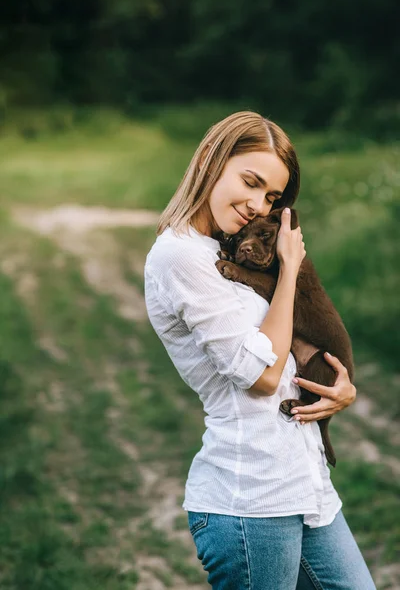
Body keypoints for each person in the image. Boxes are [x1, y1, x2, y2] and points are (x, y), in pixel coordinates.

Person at [144, 111, 376, 589]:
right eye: (250, 182)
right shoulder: (181, 257)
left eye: (271, 196)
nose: (256, 204)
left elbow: (290, 342)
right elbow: (263, 376)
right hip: (250, 500)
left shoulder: (223, 248)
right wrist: (290, 269)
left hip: (304, 485)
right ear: (211, 159)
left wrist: (339, 391)